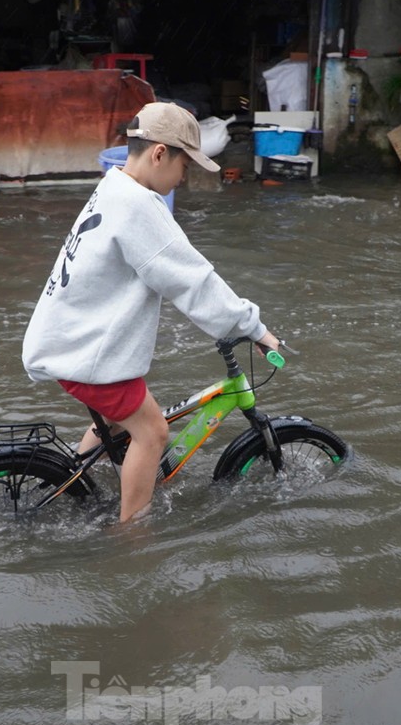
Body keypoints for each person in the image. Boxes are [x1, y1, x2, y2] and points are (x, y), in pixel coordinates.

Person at [22, 102, 279, 523]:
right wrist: (254, 328)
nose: (184, 178)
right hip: (83, 350)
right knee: (153, 430)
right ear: (159, 154)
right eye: (184, 166)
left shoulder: (113, 187)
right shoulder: (139, 207)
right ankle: (131, 536)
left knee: (116, 417)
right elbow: (193, 280)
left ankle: (69, 479)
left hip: (66, 339)